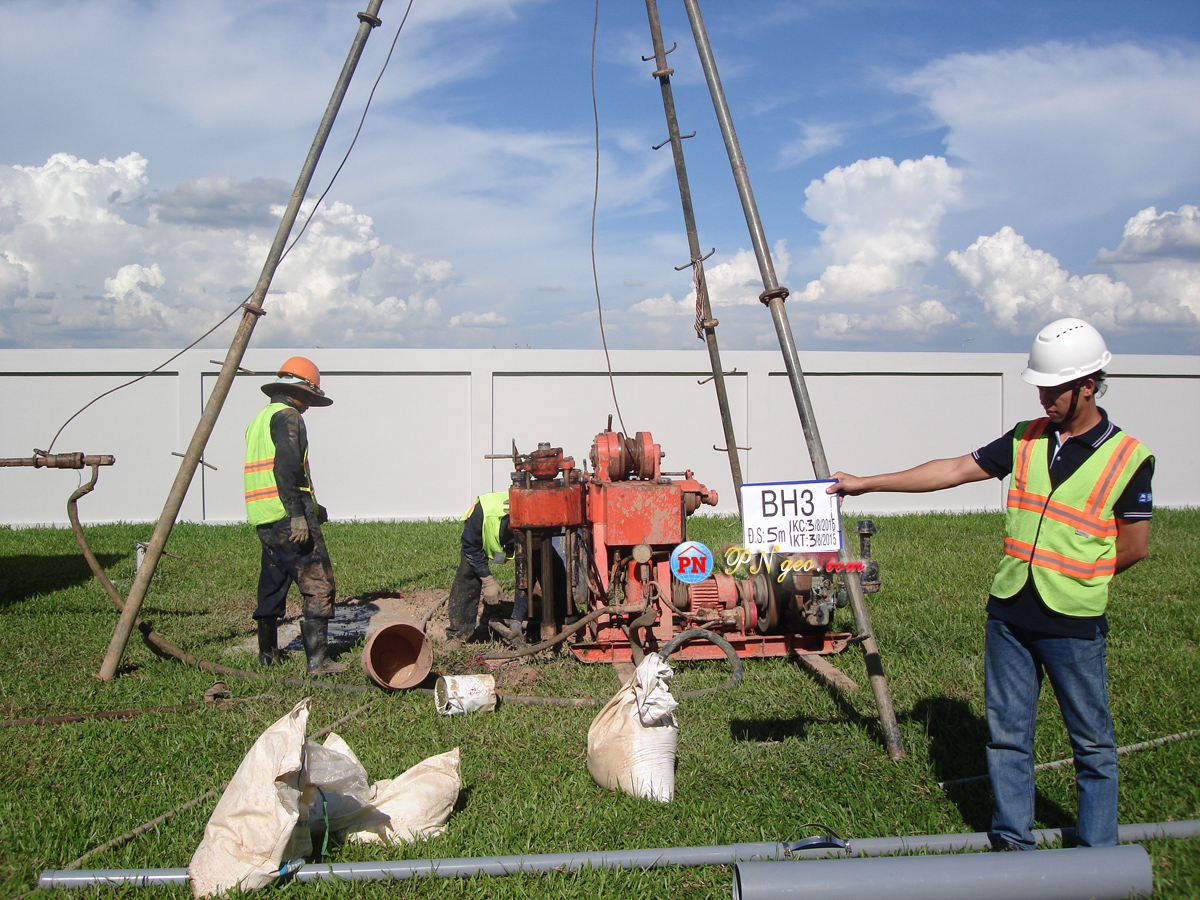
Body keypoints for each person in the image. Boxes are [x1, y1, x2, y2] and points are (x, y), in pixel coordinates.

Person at [827, 318, 1152, 851]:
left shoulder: (1128, 457)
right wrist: (866, 483)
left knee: (1092, 745)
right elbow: (955, 469)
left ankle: (1099, 856)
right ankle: (1013, 844)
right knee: (1007, 739)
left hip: (1072, 623)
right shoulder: (1027, 438)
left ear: (1087, 387)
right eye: (1041, 387)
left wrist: (1078, 576)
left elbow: (1134, 547)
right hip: (1009, 615)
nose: (1044, 397)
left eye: (1054, 389)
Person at [244, 356, 345, 676]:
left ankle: (267, 654)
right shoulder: (289, 417)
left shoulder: (261, 418)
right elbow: (286, 468)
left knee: (273, 583)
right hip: (289, 516)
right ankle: (318, 662)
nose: (310, 406)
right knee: (318, 584)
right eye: (311, 398)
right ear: (301, 390)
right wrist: (300, 516)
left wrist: (316, 508)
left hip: (264, 517)